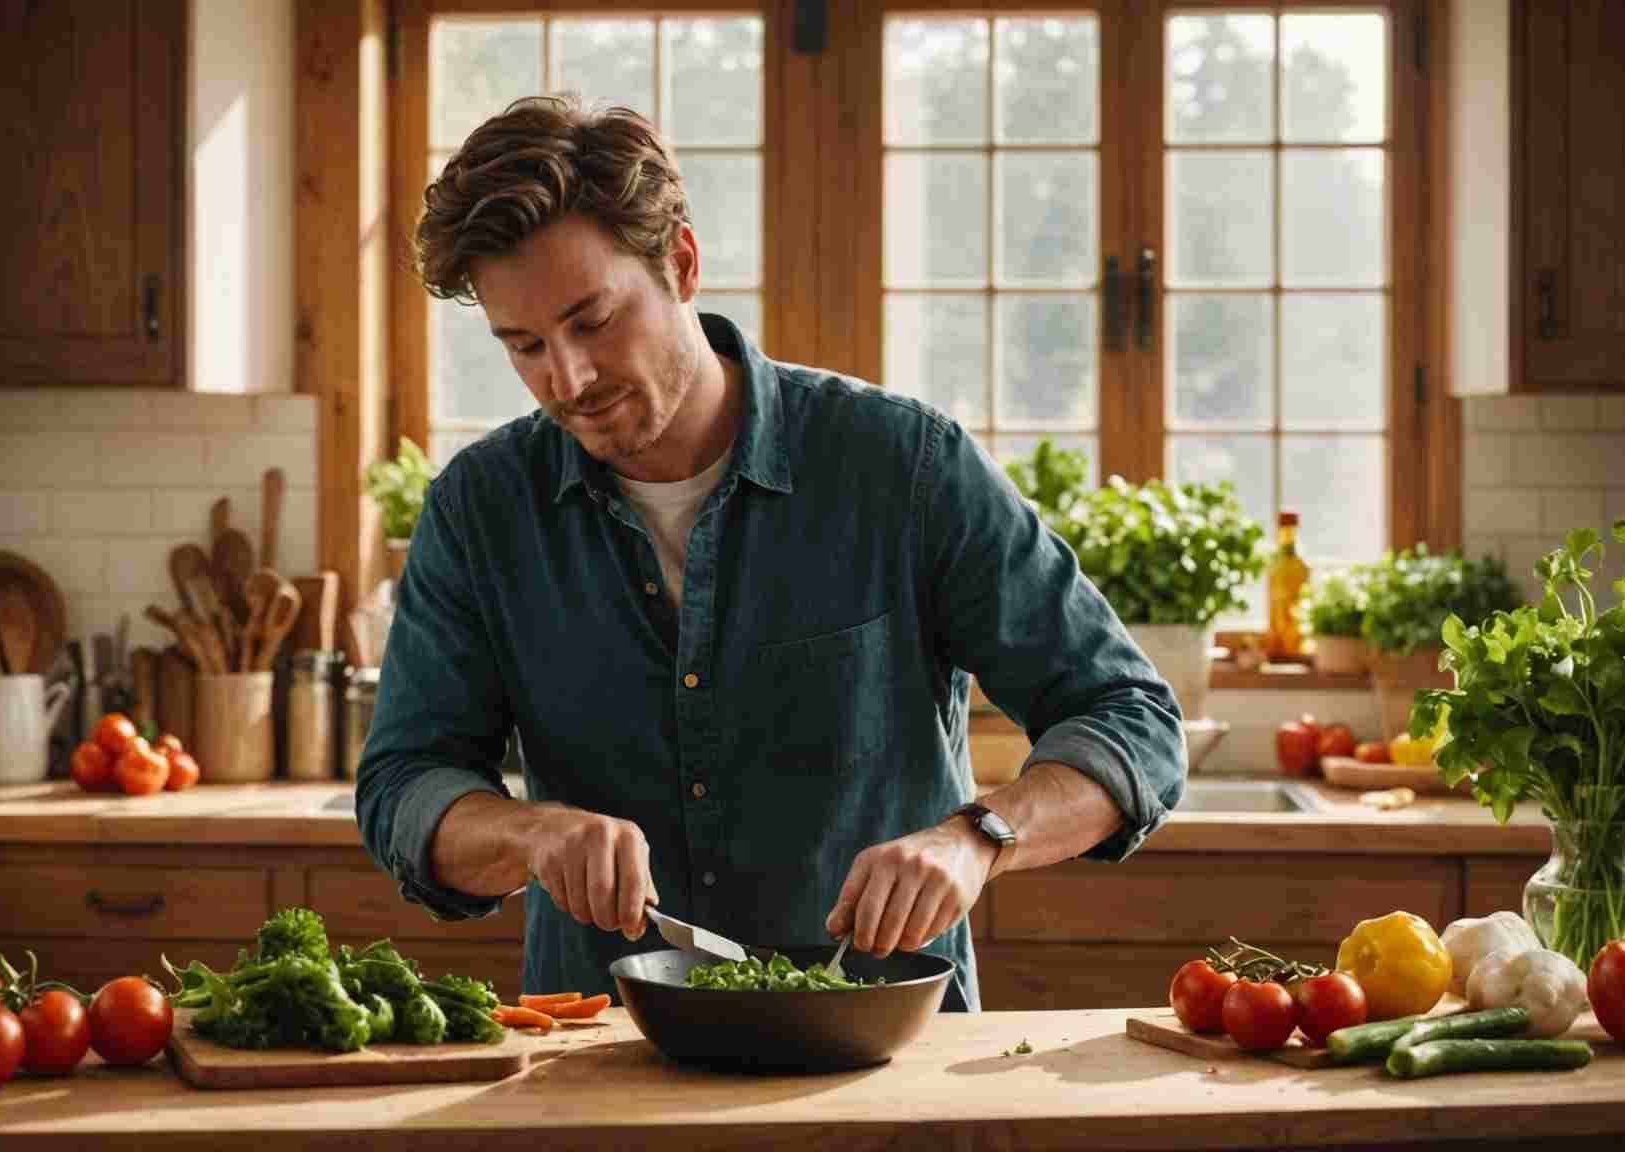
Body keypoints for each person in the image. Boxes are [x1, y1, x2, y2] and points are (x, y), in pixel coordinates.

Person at [356, 95, 1186, 1011]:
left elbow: (1130, 717)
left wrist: (976, 836)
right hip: (599, 1067)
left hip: (885, 1066)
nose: (570, 379)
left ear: (680, 262)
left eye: (592, 321)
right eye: (525, 347)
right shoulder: (480, 510)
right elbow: (405, 783)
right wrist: (528, 833)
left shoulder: (901, 466)